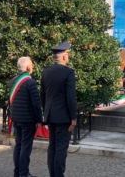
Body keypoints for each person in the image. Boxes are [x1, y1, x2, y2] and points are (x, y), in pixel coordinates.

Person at [41, 41, 77, 177]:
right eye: (67, 54)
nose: (68, 56)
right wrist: (73, 117)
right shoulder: (68, 73)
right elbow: (70, 97)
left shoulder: (46, 72)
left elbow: (42, 96)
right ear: (63, 57)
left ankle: (53, 174)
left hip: (50, 115)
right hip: (63, 117)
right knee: (61, 148)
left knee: (53, 147)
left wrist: (46, 113)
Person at [8, 57, 42, 177]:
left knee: (18, 146)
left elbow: (10, 102)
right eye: (31, 65)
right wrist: (39, 120)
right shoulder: (30, 82)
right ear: (28, 67)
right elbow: (36, 104)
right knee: (25, 147)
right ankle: (24, 173)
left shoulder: (13, 81)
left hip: (16, 119)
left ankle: (17, 172)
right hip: (28, 120)